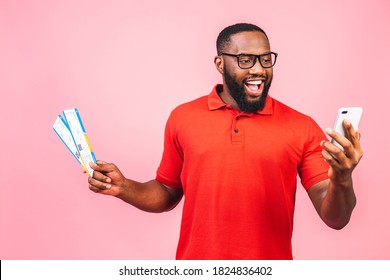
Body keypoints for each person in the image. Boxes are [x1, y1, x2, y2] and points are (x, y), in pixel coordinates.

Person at [87, 23, 363, 260]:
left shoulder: (301, 126)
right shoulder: (182, 118)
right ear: (220, 63)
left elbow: (336, 219)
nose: (259, 69)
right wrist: (124, 187)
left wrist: (342, 177)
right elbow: (167, 192)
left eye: (266, 59)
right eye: (245, 60)